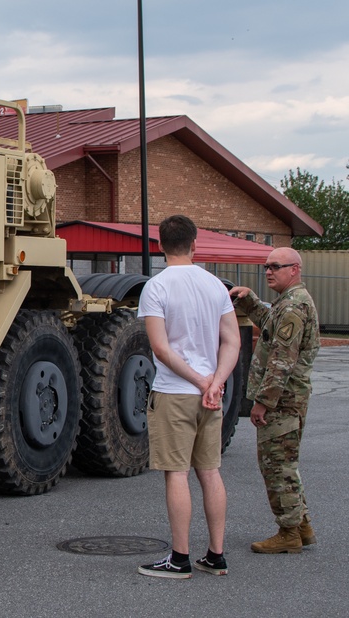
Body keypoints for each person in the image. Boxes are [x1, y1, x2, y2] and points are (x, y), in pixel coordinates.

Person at [136, 215, 240, 579]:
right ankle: (216, 555)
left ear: (160, 246)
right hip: (211, 395)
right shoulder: (214, 285)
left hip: (174, 393)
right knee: (210, 472)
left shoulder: (156, 287)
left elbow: (161, 350)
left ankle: (179, 559)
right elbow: (232, 340)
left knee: (176, 474)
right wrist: (215, 382)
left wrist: (197, 380)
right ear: (195, 244)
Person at [230, 247, 319, 554]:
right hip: (288, 398)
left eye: (275, 266)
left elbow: (281, 360)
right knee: (284, 463)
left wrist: (263, 402)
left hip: (282, 401)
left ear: (294, 269)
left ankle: (289, 533)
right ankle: (301, 525)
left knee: (276, 465)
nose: (268, 271)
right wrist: (251, 301)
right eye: (266, 266)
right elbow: (271, 325)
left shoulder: (293, 307)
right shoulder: (289, 303)